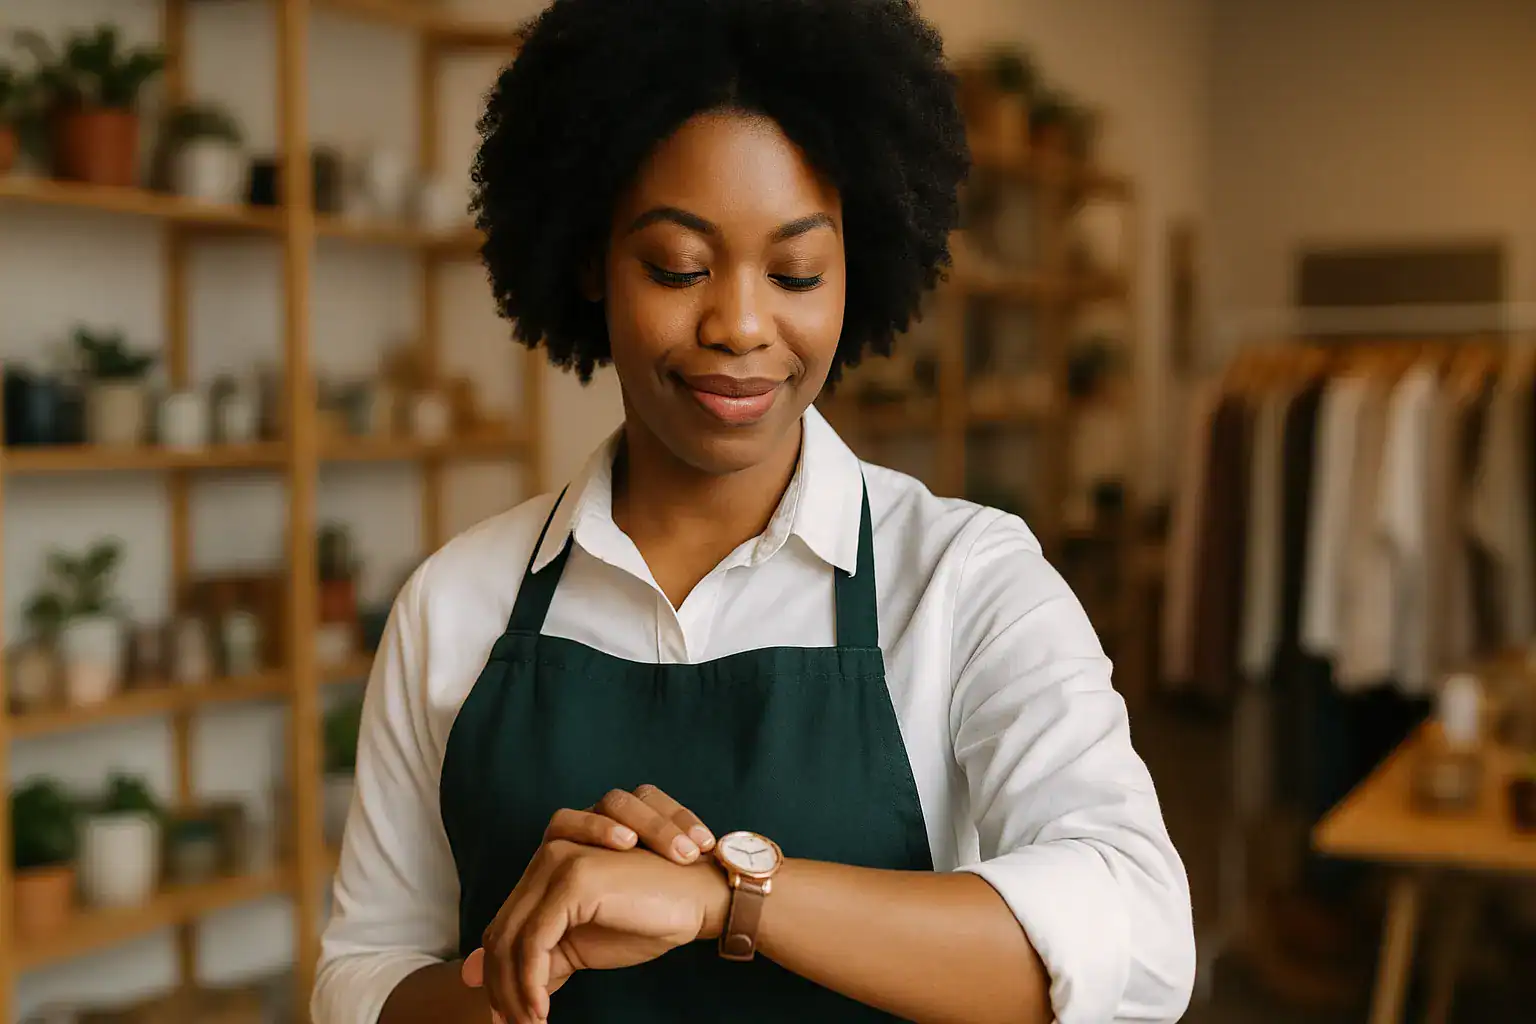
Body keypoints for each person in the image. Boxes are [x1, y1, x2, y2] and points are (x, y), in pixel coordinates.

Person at [312, 1, 1195, 1021]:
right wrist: (530, 973)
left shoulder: (966, 581)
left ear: (857, 271)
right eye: (677, 267)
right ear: (590, 262)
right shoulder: (457, 603)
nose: (737, 323)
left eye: (795, 272)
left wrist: (721, 895)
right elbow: (360, 982)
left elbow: (1140, 941)